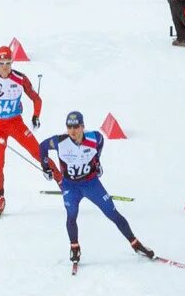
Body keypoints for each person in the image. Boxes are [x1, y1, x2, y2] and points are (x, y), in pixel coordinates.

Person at [38, 110, 157, 271]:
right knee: (71, 216)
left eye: (76, 127)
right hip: (70, 186)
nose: (72, 131)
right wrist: (46, 167)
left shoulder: (95, 137)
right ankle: (75, 248)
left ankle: (135, 243)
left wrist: (97, 163)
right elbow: (42, 146)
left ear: (82, 127)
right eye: (69, 127)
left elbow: (100, 144)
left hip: (91, 184)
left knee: (113, 213)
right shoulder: (59, 141)